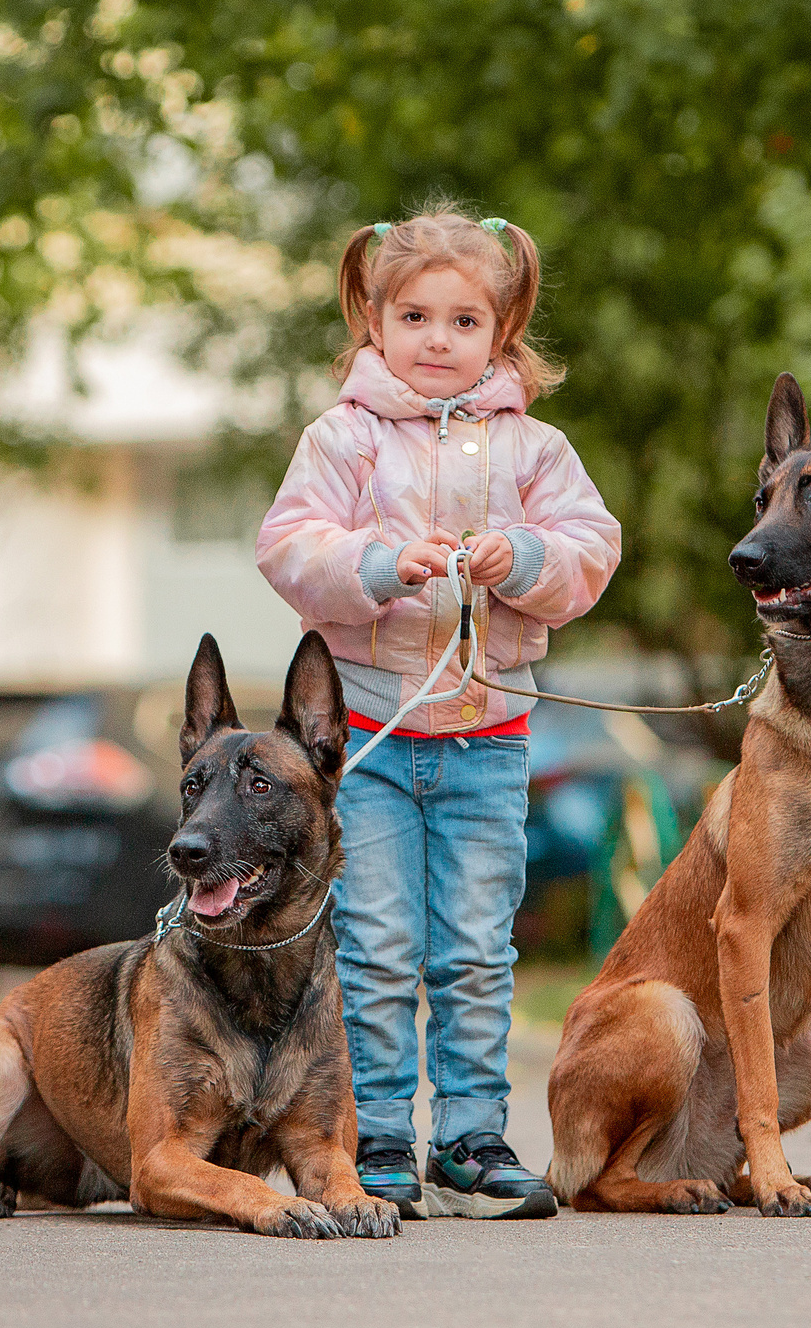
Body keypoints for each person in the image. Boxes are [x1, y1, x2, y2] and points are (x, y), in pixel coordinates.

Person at [257, 207, 620, 1219]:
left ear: (500, 333)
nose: (435, 340)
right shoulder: (342, 438)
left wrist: (531, 560)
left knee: (471, 944)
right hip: (369, 740)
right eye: (412, 316)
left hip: (488, 742)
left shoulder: (536, 450)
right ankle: (371, 1136)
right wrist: (374, 564)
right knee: (375, 944)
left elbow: (591, 548)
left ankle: (468, 1139)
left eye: (463, 321)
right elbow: (288, 545)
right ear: (371, 321)